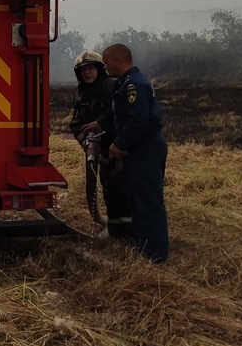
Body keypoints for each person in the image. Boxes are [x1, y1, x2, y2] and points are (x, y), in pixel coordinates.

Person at [82, 43, 169, 263]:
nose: (104, 66)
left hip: (146, 147)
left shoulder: (134, 85)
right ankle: (143, 247)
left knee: (148, 201)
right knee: (137, 199)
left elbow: (137, 121)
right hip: (138, 148)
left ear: (118, 60)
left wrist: (118, 144)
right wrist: (100, 124)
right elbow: (117, 114)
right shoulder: (124, 84)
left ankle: (156, 256)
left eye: (106, 61)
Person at [67, 50, 131, 235]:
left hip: (118, 149)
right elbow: (75, 123)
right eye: (82, 71)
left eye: (90, 69)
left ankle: (128, 231)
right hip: (99, 151)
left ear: (99, 70)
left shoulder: (112, 88)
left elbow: (118, 116)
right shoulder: (81, 94)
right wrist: (85, 143)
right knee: (108, 188)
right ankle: (114, 228)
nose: (86, 73)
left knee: (122, 189)